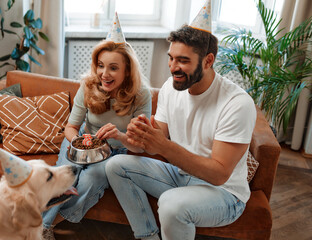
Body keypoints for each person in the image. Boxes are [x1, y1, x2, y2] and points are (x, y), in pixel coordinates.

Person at [105, 1, 257, 239]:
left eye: (183, 61)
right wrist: (129, 136)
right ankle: (147, 236)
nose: (173, 67)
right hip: (180, 175)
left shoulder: (236, 103)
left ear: (208, 61)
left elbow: (219, 174)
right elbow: (149, 143)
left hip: (223, 193)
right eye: (171, 58)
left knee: (170, 204)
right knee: (115, 165)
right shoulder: (170, 88)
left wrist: (163, 146)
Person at [42, 12, 151, 240]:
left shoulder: (141, 96)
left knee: (92, 179)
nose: (104, 74)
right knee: (66, 176)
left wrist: (120, 136)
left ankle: (50, 221)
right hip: (81, 141)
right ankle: (41, 227)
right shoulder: (89, 85)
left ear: (127, 70)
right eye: (100, 65)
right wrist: (83, 143)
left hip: (117, 152)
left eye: (113, 67)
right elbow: (70, 128)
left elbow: (140, 148)